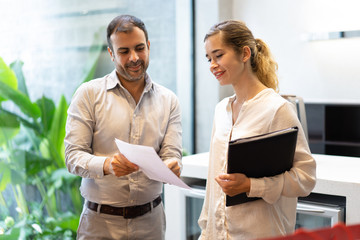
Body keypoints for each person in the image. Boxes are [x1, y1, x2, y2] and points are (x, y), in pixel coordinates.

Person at [64, 14, 182, 240]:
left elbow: (172, 154)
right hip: (100, 224)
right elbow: (72, 157)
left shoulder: (169, 100)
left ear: (148, 46)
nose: (134, 58)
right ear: (111, 53)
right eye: (124, 51)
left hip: (151, 222)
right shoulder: (88, 94)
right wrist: (107, 165)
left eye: (139, 48)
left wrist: (171, 166)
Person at [198, 20, 316, 239]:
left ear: (244, 53)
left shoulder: (278, 109)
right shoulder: (220, 110)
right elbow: (213, 180)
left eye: (218, 55)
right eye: (209, 59)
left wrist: (252, 185)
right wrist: (206, 231)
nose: (212, 65)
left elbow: (305, 178)